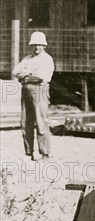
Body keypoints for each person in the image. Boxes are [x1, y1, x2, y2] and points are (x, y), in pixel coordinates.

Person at [12, 31, 55, 161]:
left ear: (44, 46)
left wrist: (26, 76)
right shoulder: (27, 59)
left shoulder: (47, 59)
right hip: (26, 92)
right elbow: (15, 72)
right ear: (31, 45)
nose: (37, 47)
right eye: (35, 44)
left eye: (40, 45)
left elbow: (41, 77)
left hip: (40, 91)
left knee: (41, 122)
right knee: (25, 122)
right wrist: (29, 73)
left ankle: (45, 154)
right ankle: (28, 153)